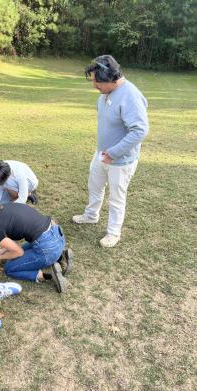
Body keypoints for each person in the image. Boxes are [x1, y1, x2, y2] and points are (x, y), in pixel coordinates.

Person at [73, 55, 149, 247]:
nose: (95, 86)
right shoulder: (105, 94)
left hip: (120, 161)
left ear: (111, 78)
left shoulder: (130, 95)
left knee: (116, 197)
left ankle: (113, 233)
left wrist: (113, 152)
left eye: (98, 82)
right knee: (94, 186)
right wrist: (104, 151)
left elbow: (140, 130)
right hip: (101, 153)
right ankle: (91, 215)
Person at [0, 200, 73, 293]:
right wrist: (2, 251)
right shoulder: (1, 207)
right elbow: (13, 230)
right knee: (23, 249)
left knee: (10, 268)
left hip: (47, 247)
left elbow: (19, 252)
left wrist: (0, 257)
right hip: (56, 233)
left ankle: (46, 275)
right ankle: (60, 256)